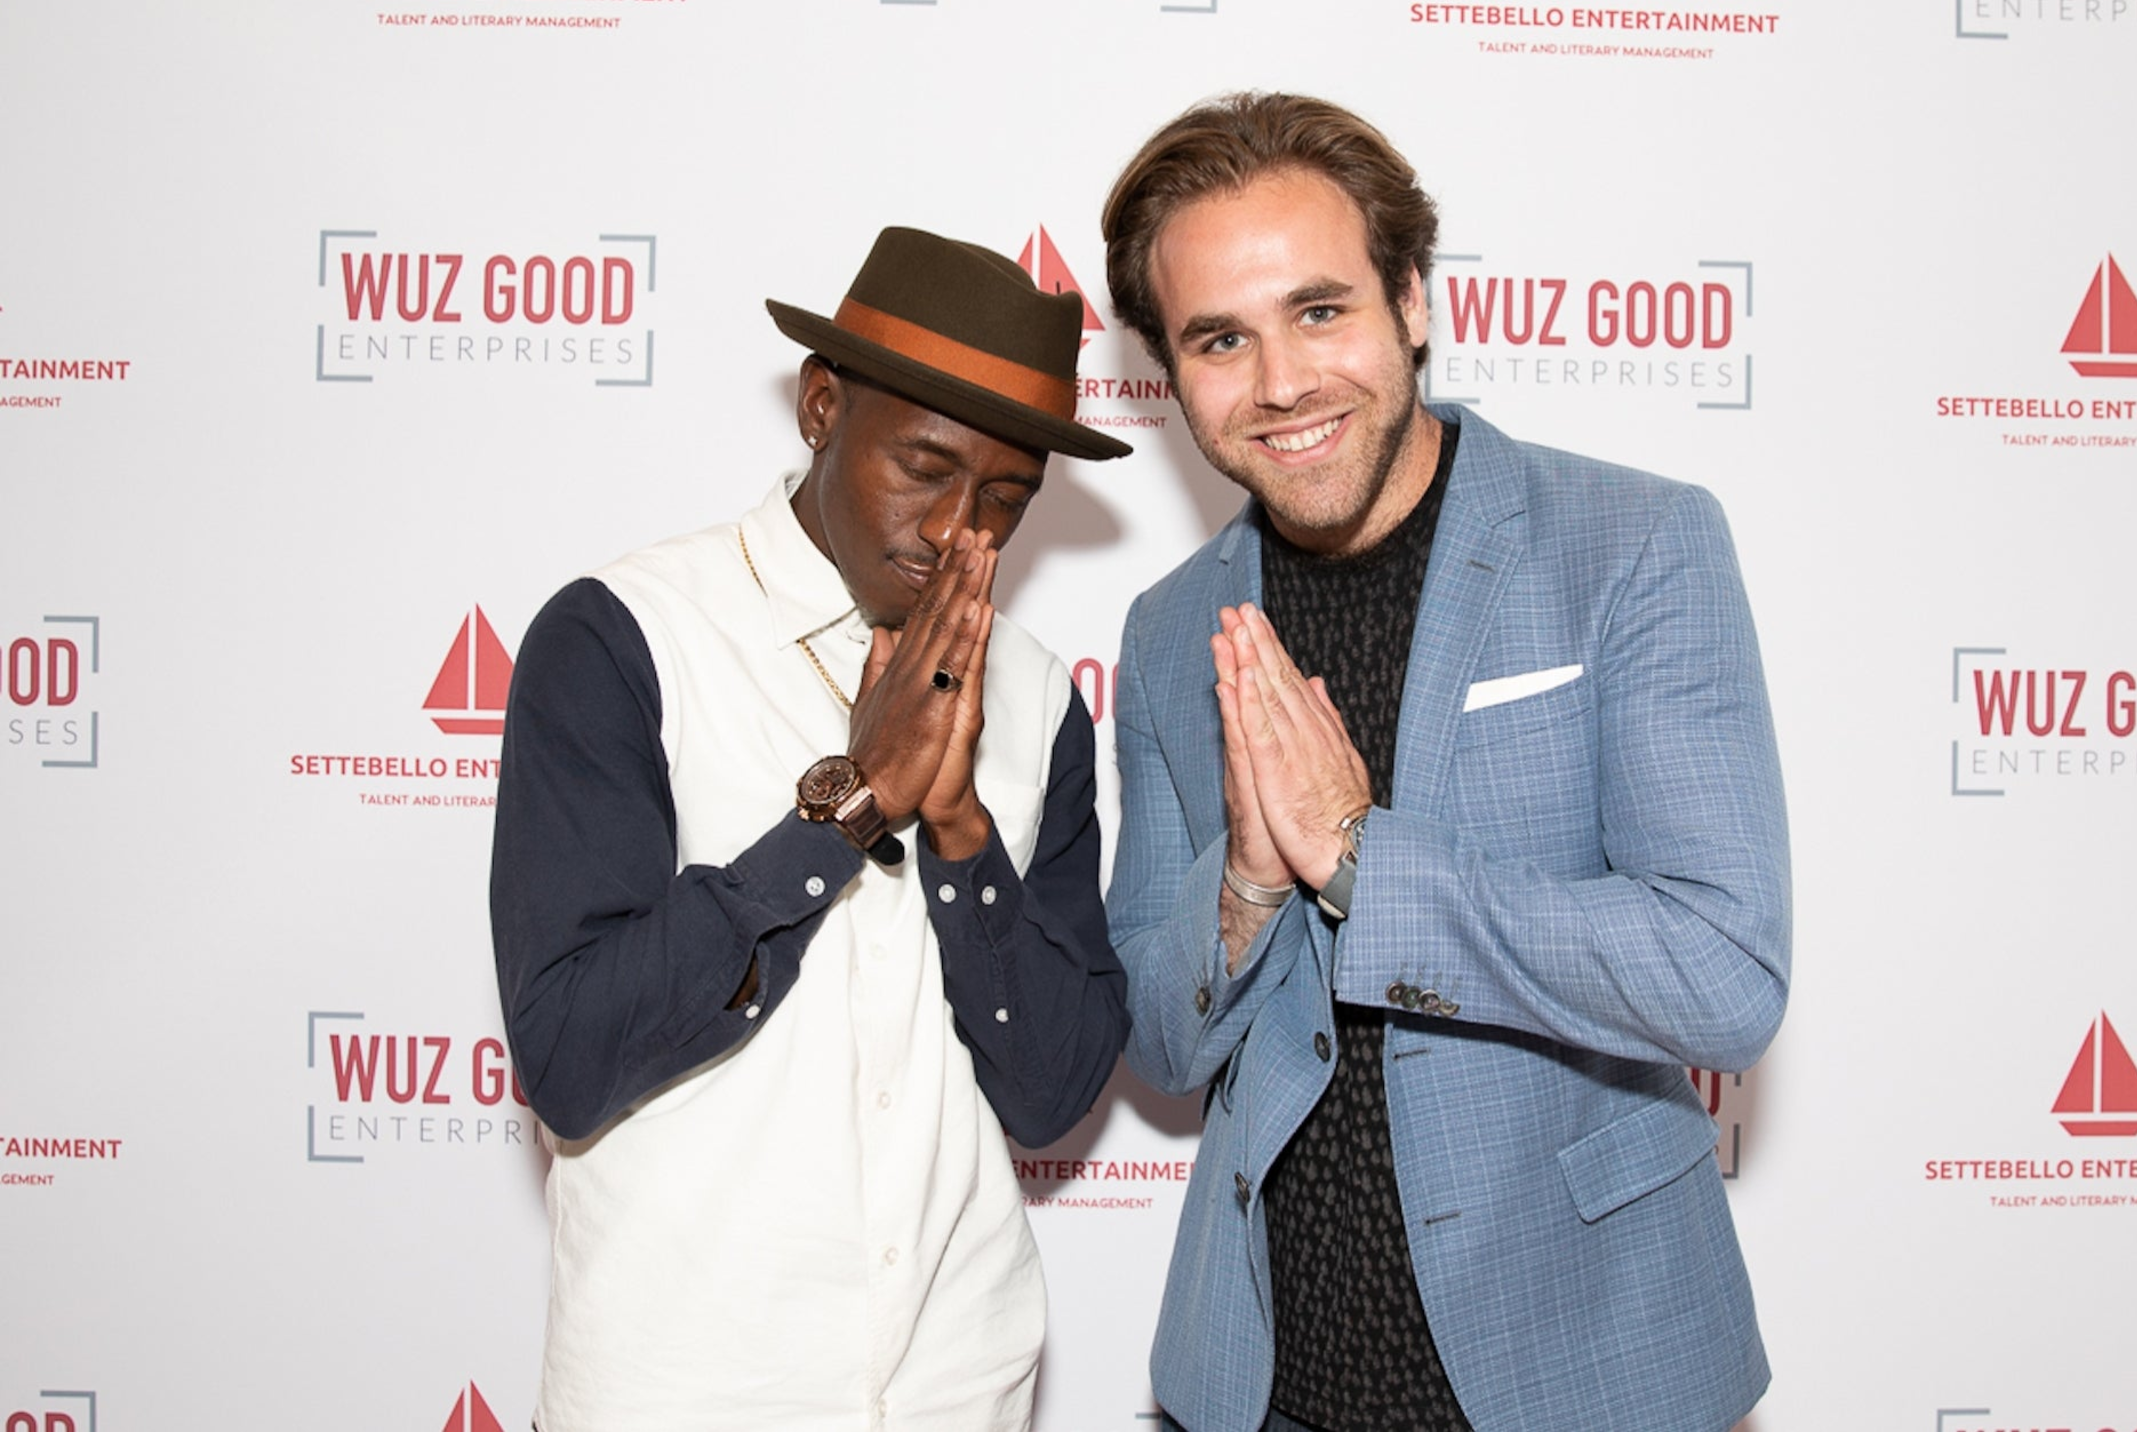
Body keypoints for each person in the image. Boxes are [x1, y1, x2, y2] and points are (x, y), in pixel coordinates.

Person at [1098, 93, 1791, 1432]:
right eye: (1220, 339)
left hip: (1583, 1375)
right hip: (1269, 1384)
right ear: (1168, 373)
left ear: (1411, 300)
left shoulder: (1632, 545)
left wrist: (1359, 855)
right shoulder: (1170, 628)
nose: (1282, 383)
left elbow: (1722, 974)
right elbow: (1158, 1037)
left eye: (1319, 311)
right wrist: (1247, 885)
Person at [489, 226, 1133, 1432]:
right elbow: (571, 1057)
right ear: (822, 406)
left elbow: (1051, 1091)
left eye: (1007, 498)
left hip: (961, 1390)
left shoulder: (1040, 698)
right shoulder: (628, 636)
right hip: (684, 1396)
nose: (959, 532)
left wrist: (958, 829)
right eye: (926, 468)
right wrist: (848, 805)